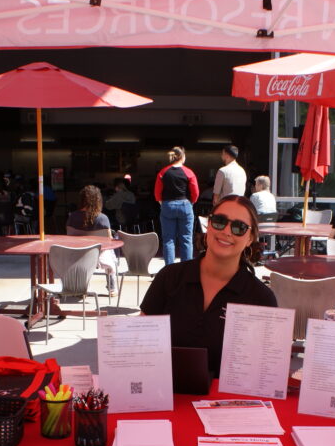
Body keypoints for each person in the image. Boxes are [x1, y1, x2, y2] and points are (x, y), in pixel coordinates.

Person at [141, 195, 276, 377]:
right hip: (165, 394)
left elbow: (265, 370)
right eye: (220, 221)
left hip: (228, 402)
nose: (227, 231)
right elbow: (139, 344)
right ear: (208, 225)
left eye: (239, 227)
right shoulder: (169, 278)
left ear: (250, 238)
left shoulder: (261, 298)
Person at [67, 185, 118, 296]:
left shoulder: (72, 217)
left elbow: (69, 237)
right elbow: (108, 241)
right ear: (98, 200)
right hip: (99, 254)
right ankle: (112, 287)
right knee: (112, 252)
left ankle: (82, 286)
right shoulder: (103, 218)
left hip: (78, 254)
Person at [154, 146, 199, 265]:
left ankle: (169, 270)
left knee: (169, 239)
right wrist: (191, 202)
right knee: (186, 239)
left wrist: (161, 202)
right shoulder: (188, 172)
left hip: (168, 206)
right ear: (182, 157)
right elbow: (195, 192)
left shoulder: (163, 172)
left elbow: (157, 192)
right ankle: (186, 270)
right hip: (185, 205)